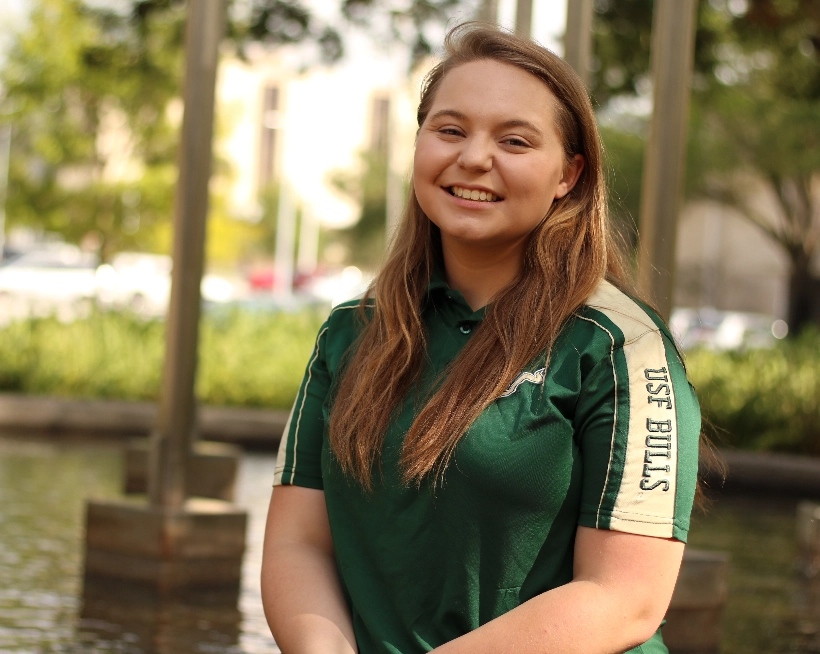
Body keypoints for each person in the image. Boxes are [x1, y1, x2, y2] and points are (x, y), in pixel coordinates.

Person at [262, 22, 701, 654]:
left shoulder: (619, 347)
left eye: (515, 140)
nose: (473, 158)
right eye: (449, 130)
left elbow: (625, 599)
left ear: (568, 175)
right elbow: (297, 544)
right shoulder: (350, 330)